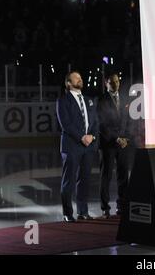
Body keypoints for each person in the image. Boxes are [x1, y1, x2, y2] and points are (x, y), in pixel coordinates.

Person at [56, 71, 98, 222]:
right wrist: (81, 137)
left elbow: (95, 122)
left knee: (84, 179)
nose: (80, 79)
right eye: (76, 77)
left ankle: (83, 212)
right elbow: (66, 124)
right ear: (68, 83)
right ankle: (68, 213)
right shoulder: (63, 101)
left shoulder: (89, 100)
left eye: (81, 77)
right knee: (69, 180)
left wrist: (91, 136)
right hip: (72, 145)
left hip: (88, 146)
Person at [97, 73, 130, 218]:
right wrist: (116, 138)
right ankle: (105, 207)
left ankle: (122, 205)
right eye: (112, 82)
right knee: (106, 175)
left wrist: (126, 138)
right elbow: (102, 124)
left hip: (123, 143)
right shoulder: (101, 100)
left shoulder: (124, 99)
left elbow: (128, 121)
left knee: (123, 175)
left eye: (117, 81)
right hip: (108, 144)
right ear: (106, 83)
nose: (115, 84)